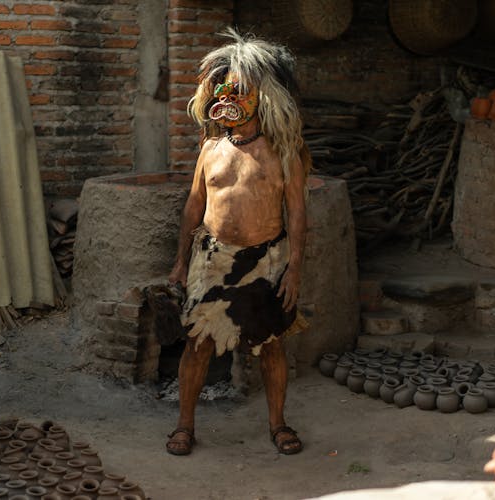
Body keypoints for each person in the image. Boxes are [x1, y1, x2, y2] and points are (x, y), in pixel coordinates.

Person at [166, 28, 310, 456]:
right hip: (211, 260)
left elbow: (299, 214)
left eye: (239, 92)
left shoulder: (285, 151)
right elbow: (194, 208)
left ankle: (278, 424)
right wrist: (179, 262)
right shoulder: (210, 147)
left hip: (267, 261)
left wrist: (295, 267)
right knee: (197, 345)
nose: (227, 101)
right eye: (221, 92)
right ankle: (185, 426)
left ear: (261, 97)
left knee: (270, 345)